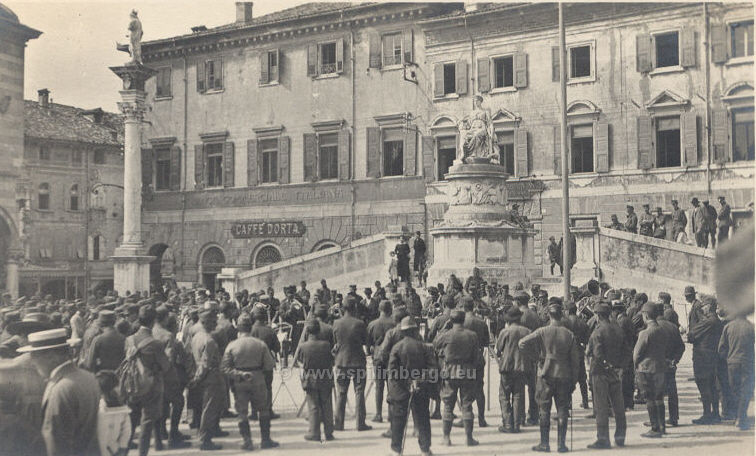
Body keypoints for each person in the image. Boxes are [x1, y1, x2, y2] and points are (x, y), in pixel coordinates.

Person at [21, 328, 100, 456]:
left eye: (35, 356)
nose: (33, 363)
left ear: (51, 356)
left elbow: (56, 442)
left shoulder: (59, 388)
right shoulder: (88, 377)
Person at [518, 302, 579, 453]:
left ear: (549, 315)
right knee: (563, 410)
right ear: (561, 315)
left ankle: (544, 444)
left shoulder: (542, 331)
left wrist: (537, 358)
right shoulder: (569, 334)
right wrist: (574, 380)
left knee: (544, 410)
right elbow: (575, 361)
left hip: (545, 374)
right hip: (564, 374)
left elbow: (522, 343)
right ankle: (561, 445)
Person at [222, 314, 279, 450]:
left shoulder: (232, 346)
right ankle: (265, 440)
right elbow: (269, 365)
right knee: (263, 410)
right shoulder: (260, 344)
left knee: (242, 412)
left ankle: (247, 441)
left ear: (238, 329)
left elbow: (225, 368)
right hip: (258, 377)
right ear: (250, 327)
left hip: (240, 380)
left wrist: (239, 374)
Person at [386, 316, 437, 456]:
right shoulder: (424, 347)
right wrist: (418, 380)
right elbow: (433, 370)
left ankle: (396, 450)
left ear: (402, 332)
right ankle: (425, 450)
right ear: (415, 331)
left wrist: (406, 381)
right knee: (423, 420)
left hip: (400, 390)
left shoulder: (396, 347)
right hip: (420, 390)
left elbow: (392, 371)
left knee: (398, 421)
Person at [125, 305, 170, 455]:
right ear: (153, 321)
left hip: (132, 383)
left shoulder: (129, 339)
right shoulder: (155, 343)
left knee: (132, 420)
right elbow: (166, 366)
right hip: (152, 385)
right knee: (147, 420)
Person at [434, 310, 481, 447]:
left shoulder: (446, 335)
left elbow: (435, 344)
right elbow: (476, 356)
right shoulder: (472, 335)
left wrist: (444, 327)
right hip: (467, 371)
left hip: (450, 371)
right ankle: (468, 438)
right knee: (467, 405)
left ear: (451, 320)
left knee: (448, 405)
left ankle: (446, 438)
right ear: (464, 319)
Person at [585, 303, 627, 449]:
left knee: (601, 406)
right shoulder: (618, 328)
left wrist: (603, 364)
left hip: (600, 372)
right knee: (618, 405)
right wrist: (619, 367)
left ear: (598, 315)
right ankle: (620, 437)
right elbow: (626, 350)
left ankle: (603, 439)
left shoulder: (598, 331)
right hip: (616, 371)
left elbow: (596, 354)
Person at [332, 296, 372, 431]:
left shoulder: (336, 323)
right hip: (358, 361)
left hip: (341, 361)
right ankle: (360, 423)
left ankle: (338, 423)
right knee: (359, 392)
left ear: (343, 308)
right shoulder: (360, 323)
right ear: (355, 307)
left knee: (341, 392)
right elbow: (366, 342)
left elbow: (335, 343)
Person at [190, 309, 225, 450]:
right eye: (213, 321)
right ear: (205, 322)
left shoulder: (196, 336)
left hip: (201, 375)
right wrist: (197, 378)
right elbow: (206, 363)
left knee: (203, 408)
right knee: (209, 409)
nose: (215, 323)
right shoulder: (209, 340)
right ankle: (205, 441)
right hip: (210, 377)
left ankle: (202, 435)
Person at [296, 319, 336, 441]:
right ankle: (329, 433)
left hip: (311, 378)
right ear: (319, 331)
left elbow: (299, 361)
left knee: (313, 405)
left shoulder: (303, 346)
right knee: (327, 405)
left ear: (307, 331)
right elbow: (332, 361)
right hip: (325, 376)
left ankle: (314, 432)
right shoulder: (326, 345)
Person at [633, 302, 667, 438]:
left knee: (649, 399)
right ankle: (662, 426)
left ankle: (655, 428)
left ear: (645, 315)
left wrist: (636, 366)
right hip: (660, 368)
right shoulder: (662, 330)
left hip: (646, 369)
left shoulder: (645, 333)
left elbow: (636, 354)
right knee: (659, 398)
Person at [494, 306, 530, 434]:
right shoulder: (527, 331)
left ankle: (508, 424)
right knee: (518, 395)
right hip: (521, 367)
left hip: (507, 367)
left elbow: (498, 349)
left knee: (504, 395)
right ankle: (516, 424)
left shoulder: (505, 331)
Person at [689, 295, 724, 425]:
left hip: (703, 358)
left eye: (703, 306)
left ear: (709, 307)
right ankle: (715, 414)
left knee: (704, 386)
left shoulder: (708, 321)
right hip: (713, 357)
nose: (702, 308)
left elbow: (691, 335)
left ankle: (707, 414)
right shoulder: (718, 321)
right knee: (712, 387)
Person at [718, 311, 754, 431]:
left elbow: (721, 348)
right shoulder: (751, 327)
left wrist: (728, 358)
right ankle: (741, 417)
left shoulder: (728, 327)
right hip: (748, 363)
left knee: (735, 389)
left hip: (732, 363)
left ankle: (738, 416)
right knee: (746, 390)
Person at [461, 296, 490, 428]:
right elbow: (486, 343)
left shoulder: (460, 322)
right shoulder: (481, 322)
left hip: (464, 358)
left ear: (463, 307)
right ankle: (482, 418)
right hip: (477, 357)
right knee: (479, 389)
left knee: (464, 388)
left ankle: (466, 416)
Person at [656, 302, 685, 428]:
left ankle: (658, 421)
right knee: (672, 392)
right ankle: (674, 418)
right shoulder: (673, 327)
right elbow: (681, 346)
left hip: (656, 364)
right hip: (670, 364)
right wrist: (675, 360)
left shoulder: (653, 327)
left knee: (657, 393)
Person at [366, 300, 395, 423]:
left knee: (379, 386)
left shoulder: (372, 324)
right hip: (392, 357)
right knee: (392, 386)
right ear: (390, 309)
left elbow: (368, 345)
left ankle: (378, 414)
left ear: (379, 309)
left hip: (378, 356)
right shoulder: (395, 323)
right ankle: (391, 414)